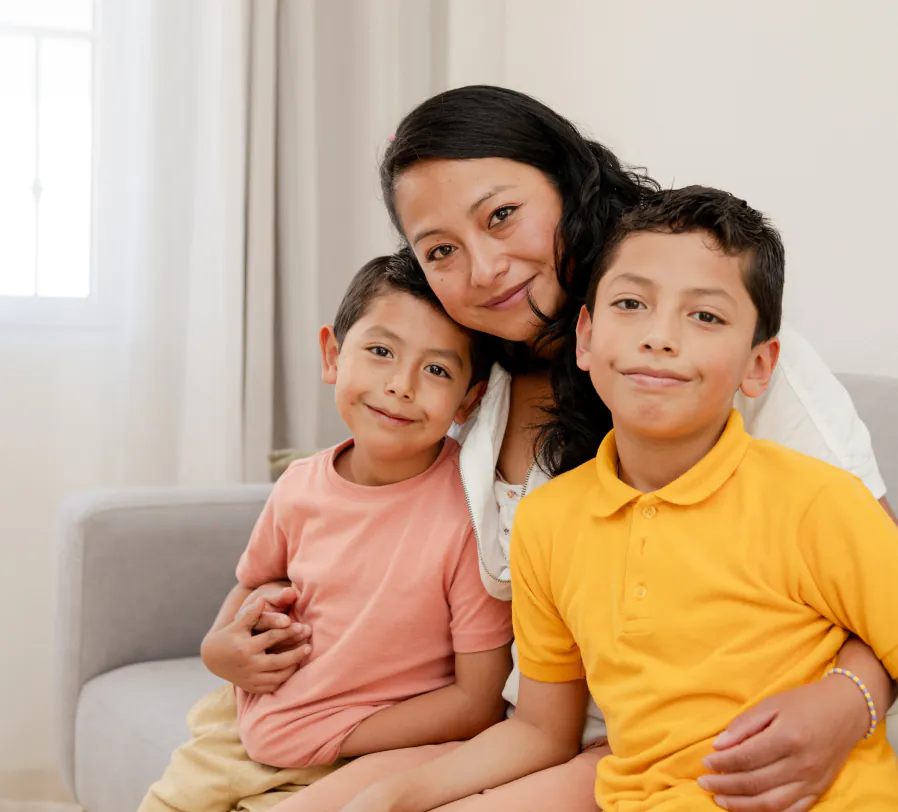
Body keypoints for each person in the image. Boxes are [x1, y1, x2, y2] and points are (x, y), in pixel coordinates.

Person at [206, 86, 896, 812]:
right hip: (527, 726)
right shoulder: (475, 382)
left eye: (502, 216)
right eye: (441, 251)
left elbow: (870, 581)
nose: (483, 268)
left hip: (666, 747)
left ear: (569, 184)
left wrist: (847, 703)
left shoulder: (717, 364)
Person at [138, 251, 514, 812]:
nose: (401, 385)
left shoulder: (469, 513)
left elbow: (477, 701)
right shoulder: (299, 487)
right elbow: (256, 583)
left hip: (372, 748)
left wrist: (326, 734)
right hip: (252, 725)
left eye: (436, 369)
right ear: (333, 355)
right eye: (381, 352)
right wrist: (219, 649)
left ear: (469, 399)